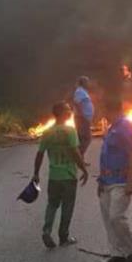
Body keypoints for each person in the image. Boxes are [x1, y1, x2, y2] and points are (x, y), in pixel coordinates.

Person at [33, 102, 89, 248]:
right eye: (68, 110)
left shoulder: (47, 132)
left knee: (52, 205)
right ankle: (63, 237)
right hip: (69, 176)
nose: (70, 112)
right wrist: (84, 169)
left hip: (54, 176)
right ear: (63, 113)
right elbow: (75, 153)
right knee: (67, 206)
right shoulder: (70, 131)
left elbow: (40, 154)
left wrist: (36, 173)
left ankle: (46, 231)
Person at [97, 97, 132, 262]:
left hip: (121, 181)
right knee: (108, 218)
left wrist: (131, 180)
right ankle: (116, 253)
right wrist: (100, 180)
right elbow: (105, 157)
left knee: (116, 216)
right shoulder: (112, 128)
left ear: (112, 110)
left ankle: (130, 250)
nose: (103, 114)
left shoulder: (125, 127)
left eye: (105, 111)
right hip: (106, 181)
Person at [72, 76, 94, 157]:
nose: (88, 83)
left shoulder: (83, 91)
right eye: (87, 82)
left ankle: (81, 158)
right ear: (83, 83)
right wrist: (82, 115)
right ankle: (79, 156)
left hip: (83, 118)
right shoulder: (80, 91)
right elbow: (77, 103)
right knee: (87, 138)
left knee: (81, 139)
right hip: (82, 118)